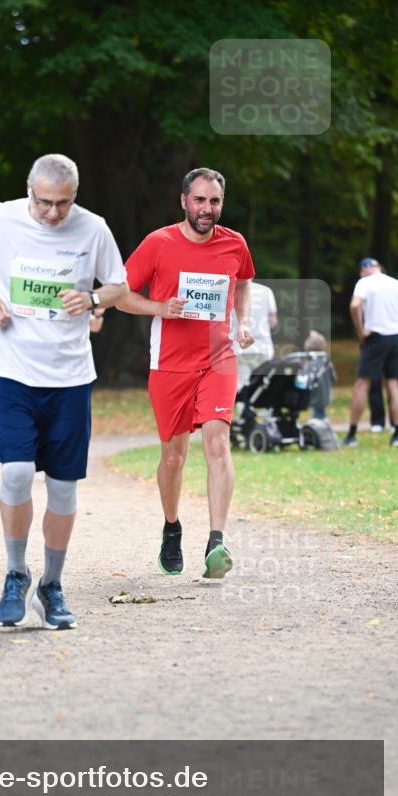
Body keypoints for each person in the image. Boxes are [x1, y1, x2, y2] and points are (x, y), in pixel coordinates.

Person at [0, 154, 127, 629]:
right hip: (11, 369)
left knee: (63, 486)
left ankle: (51, 585)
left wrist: (92, 298)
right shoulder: (1, 217)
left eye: (63, 204)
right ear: (29, 190)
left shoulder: (93, 228)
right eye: (45, 202)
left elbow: (119, 284)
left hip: (69, 375)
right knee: (15, 473)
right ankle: (16, 574)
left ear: (75, 196)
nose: (53, 213)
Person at [117, 167, 255, 579]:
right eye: (199, 200)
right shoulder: (158, 243)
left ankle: (216, 541)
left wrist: (243, 322)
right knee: (174, 456)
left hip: (218, 358)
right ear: (183, 201)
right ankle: (172, 527)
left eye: (214, 201)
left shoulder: (235, 243)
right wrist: (159, 308)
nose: (206, 209)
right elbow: (121, 295)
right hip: (169, 364)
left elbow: (244, 282)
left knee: (218, 440)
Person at [343, 258, 398, 448]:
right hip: (395, 338)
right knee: (393, 385)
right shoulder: (397, 284)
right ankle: (397, 434)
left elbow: (355, 305)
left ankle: (351, 434)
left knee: (361, 384)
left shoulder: (365, 283)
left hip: (375, 338)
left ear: (363, 270)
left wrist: (361, 332)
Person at [233, 281, 277, 390]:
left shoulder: (233, 290)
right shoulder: (267, 291)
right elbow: (273, 322)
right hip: (263, 348)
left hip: (241, 347)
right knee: (262, 387)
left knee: (241, 386)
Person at [303, 330, 336, 420]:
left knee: (317, 414)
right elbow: (333, 377)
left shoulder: (309, 364)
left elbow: (304, 381)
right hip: (326, 394)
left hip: (314, 395)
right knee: (320, 412)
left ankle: (321, 423)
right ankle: (322, 421)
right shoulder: (327, 362)